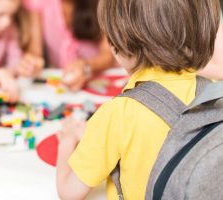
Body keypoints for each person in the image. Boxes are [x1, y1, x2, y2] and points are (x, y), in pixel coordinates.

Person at [56, 0, 221, 199]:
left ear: (121, 43)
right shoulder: (212, 92)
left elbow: (68, 192)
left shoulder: (118, 114)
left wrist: (67, 140)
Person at [23, 0, 116, 91]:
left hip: (102, 81)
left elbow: (108, 55)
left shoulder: (103, 3)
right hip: (61, 86)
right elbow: (35, 52)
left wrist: (85, 66)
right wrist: (32, 63)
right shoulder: (38, 3)